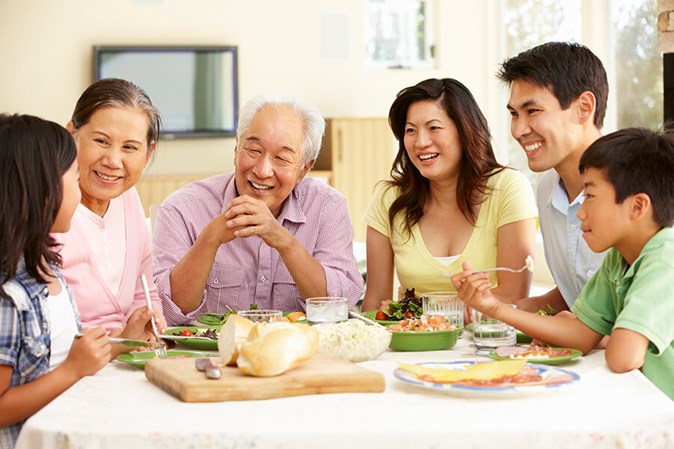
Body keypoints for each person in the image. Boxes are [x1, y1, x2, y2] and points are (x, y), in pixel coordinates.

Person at [453, 128, 674, 400]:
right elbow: (579, 334)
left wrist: (604, 336)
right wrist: (493, 307)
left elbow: (622, 358)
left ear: (638, 206)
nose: (580, 212)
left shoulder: (665, 259)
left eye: (590, 197)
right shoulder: (619, 259)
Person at [153, 95, 363, 325]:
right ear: (236, 148)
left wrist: (284, 242)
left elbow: (339, 307)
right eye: (253, 150)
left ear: (305, 168)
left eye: (282, 158)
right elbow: (167, 312)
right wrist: (210, 239)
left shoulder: (327, 207)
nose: (263, 171)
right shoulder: (182, 208)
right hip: (211, 358)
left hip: (299, 355)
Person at [361, 78, 537, 312]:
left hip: (487, 342)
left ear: (465, 131)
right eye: (410, 130)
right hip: (414, 345)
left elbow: (513, 297)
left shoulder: (508, 188)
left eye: (434, 128)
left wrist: (417, 311)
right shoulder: (389, 198)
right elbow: (375, 303)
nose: (421, 142)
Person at [0, 114, 110, 448]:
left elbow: (65, 355)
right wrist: (73, 372)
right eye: (75, 178)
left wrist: (123, 342)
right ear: (43, 191)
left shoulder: (46, 266)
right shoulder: (9, 294)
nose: (81, 190)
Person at [54, 78, 166, 355]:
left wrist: (150, 320)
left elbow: (144, 287)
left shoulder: (127, 197)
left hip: (122, 362)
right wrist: (120, 342)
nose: (113, 161)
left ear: (148, 151)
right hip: (67, 370)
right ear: (72, 134)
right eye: (101, 141)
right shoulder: (47, 209)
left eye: (130, 147)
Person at [497, 41, 609, 313]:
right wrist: (512, 309)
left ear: (584, 107)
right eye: (514, 114)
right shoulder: (547, 189)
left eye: (532, 111)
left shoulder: (637, 189)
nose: (519, 130)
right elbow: (583, 291)